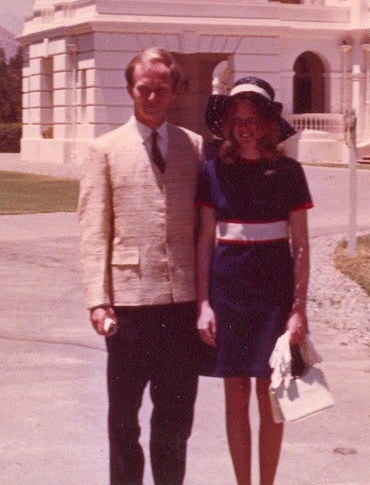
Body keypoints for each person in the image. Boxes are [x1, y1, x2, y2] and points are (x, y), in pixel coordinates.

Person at [78, 47, 205, 485]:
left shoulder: (195, 147)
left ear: (173, 91)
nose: (152, 97)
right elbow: (93, 229)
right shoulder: (105, 150)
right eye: (144, 89)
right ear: (131, 90)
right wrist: (98, 300)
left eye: (161, 89)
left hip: (181, 304)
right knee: (123, 419)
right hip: (129, 305)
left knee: (175, 418)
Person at [195, 77, 313, 485]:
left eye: (252, 118)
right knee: (235, 395)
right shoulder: (212, 171)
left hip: (274, 299)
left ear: (266, 123)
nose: (244, 126)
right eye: (236, 119)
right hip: (227, 296)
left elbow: (301, 245)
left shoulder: (289, 172)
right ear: (227, 124)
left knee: (271, 397)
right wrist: (203, 304)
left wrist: (299, 310)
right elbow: (204, 240)